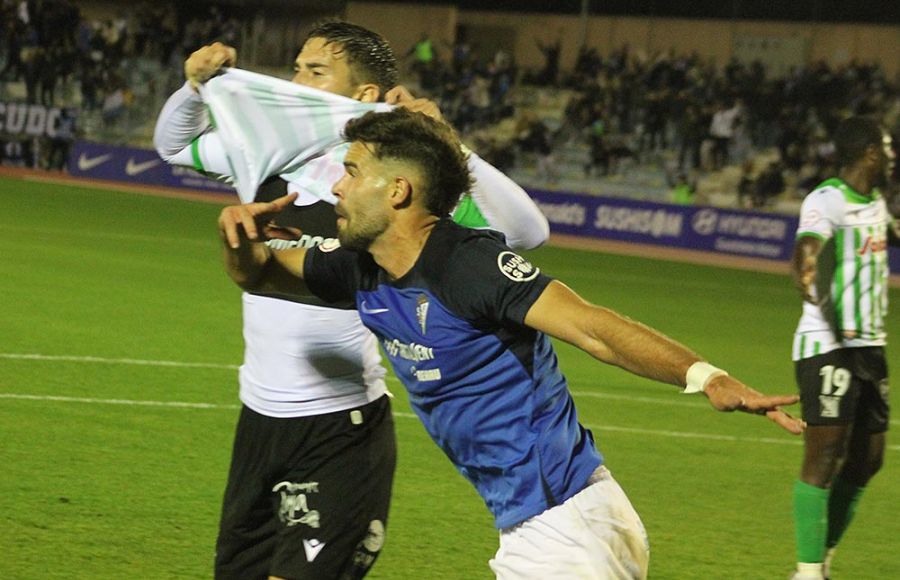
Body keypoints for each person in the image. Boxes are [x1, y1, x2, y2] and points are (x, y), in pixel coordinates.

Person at [218, 107, 805, 579]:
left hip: (567, 529)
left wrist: (705, 377)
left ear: (398, 190)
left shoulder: (466, 265)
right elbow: (261, 273)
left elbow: (591, 326)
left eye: (350, 171)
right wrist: (241, 240)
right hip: (544, 525)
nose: (337, 187)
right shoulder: (362, 269)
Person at [153, 21, 549, 580]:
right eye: (296, 67)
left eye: (316, 71)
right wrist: (193, 88)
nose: (295, 80)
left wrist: (447, 142)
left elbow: (527, 229)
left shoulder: (393, 184)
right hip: (258, 422)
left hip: (339, 426)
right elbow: (173, 144)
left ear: (363, 95)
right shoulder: (262, 149)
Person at [789, 116, 896, 580]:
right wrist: (822, 301)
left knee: (868, 460)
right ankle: (808, 573)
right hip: (828, 345)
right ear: (870, 153)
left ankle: (823, 557)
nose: (893, 156)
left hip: (871, 347)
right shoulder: (826, 199)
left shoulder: (875, 202)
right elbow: (806, 258)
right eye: (889, 148)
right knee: (825, 456)